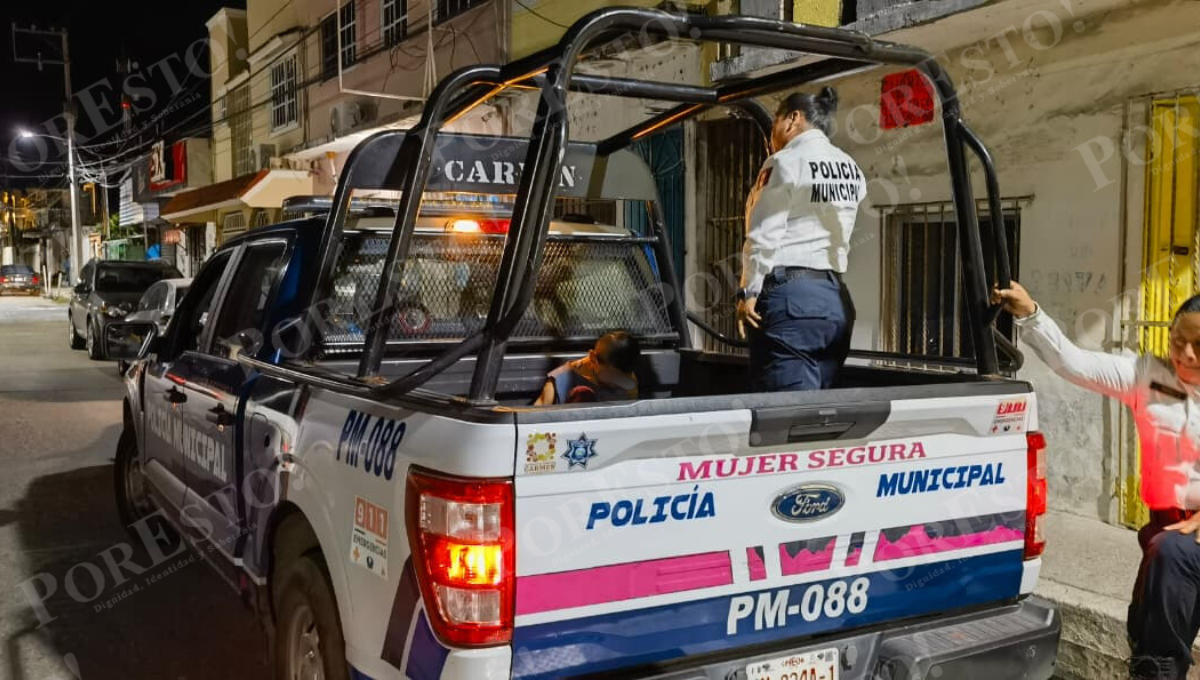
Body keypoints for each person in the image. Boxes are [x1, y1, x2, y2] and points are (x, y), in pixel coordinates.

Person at [994, 281, 1200, 680]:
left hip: (1177, 544)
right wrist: (1030, 313)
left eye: (1199, 345)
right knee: (1151, 635)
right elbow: (1073, 363)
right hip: (1169, 538)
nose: (1186, 353)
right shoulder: (1146, 375)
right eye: (1178, 340)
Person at [736, 86, 867, 391]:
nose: (772, 134)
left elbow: (764, 234)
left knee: (786, 409)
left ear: (793, 119)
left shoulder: (784, 162)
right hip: (834, 301)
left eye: (774, 123)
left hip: (791, 299)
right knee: (820, 408)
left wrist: (748, 292)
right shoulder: (851, 167)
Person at [534, 330, 640, 405]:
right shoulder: (560, 379)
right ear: (593, 358)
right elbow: (537, 417)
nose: (616, 383)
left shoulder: (628, 377)